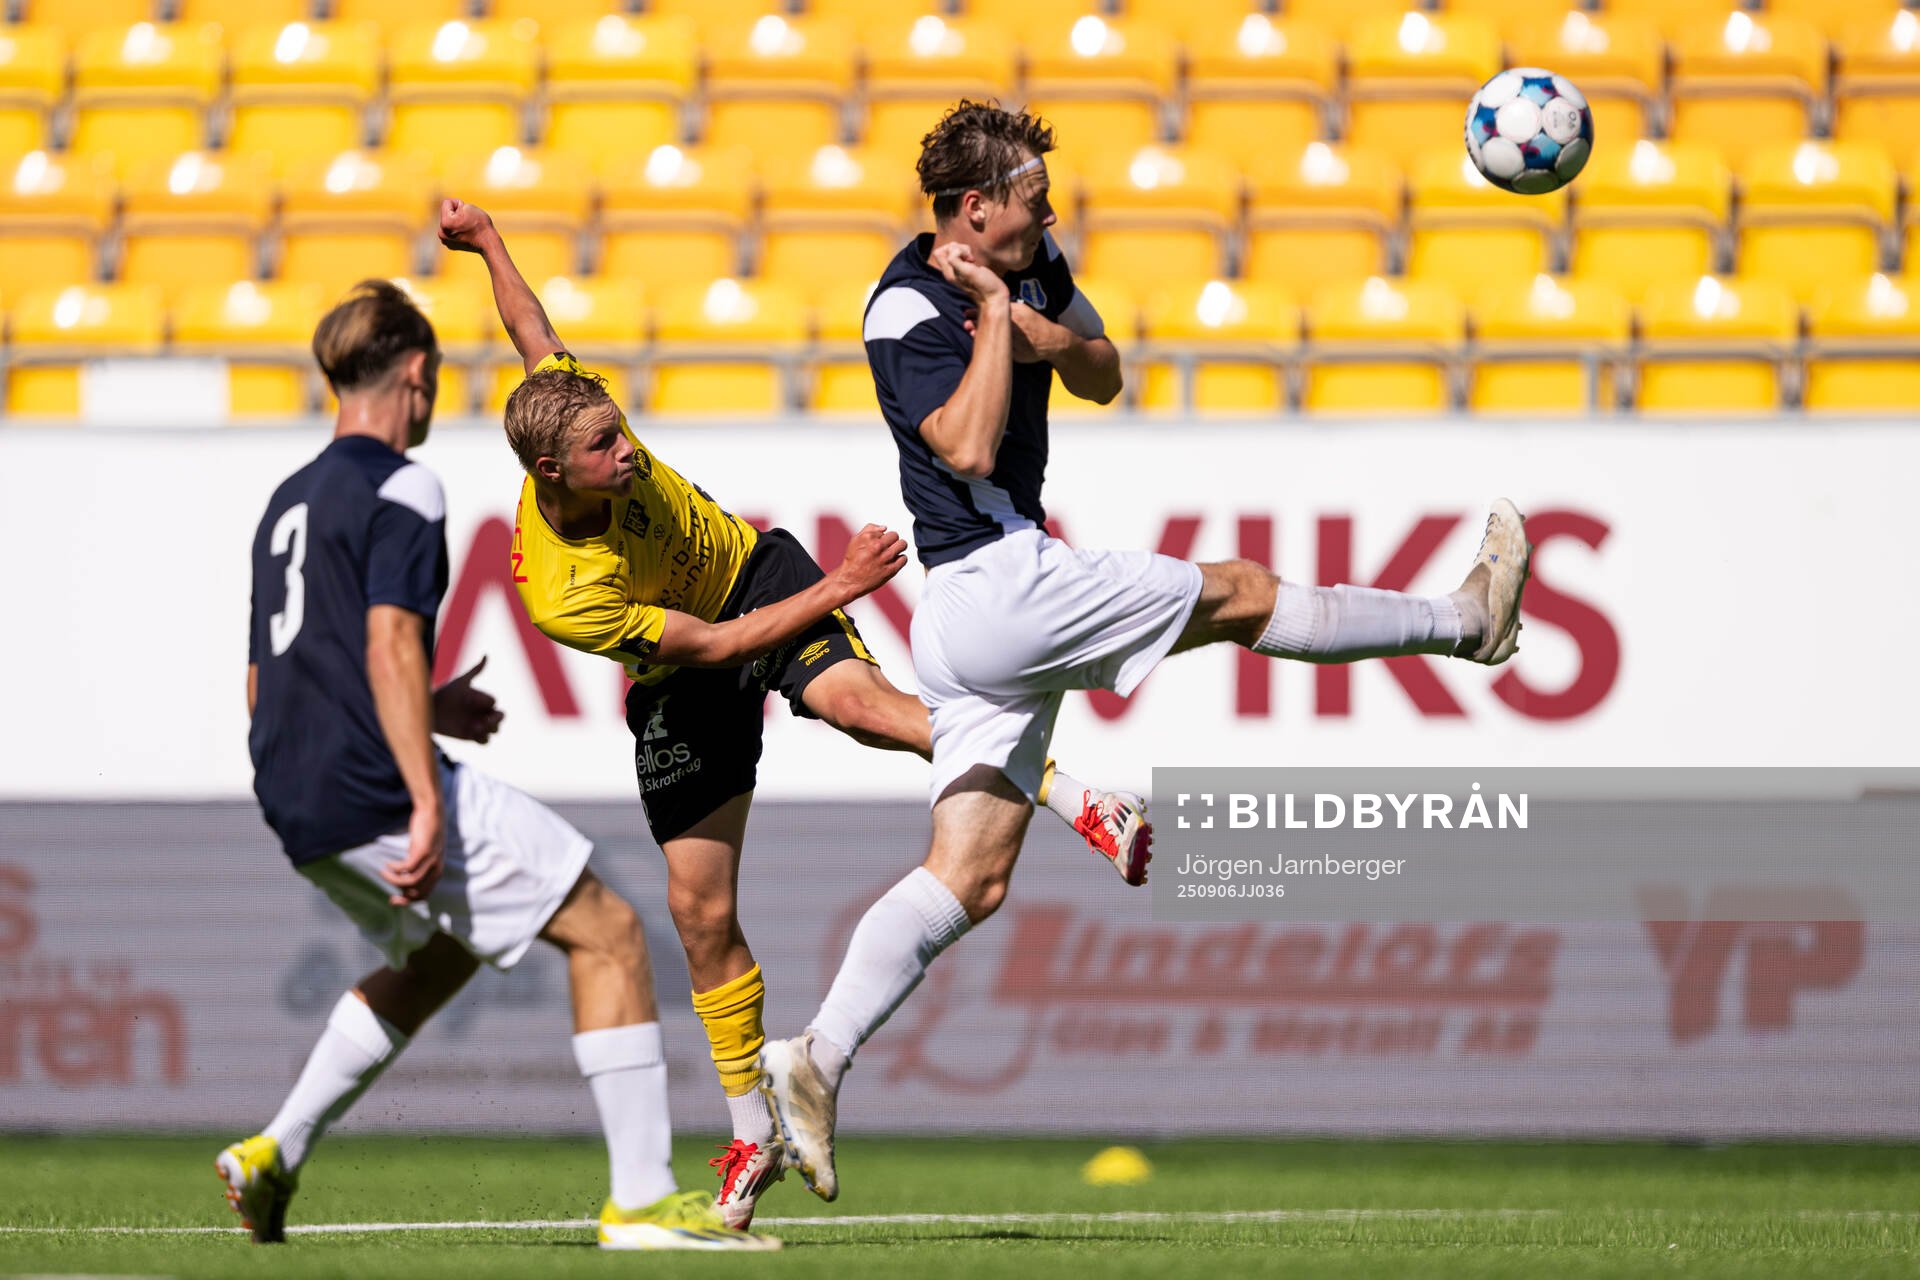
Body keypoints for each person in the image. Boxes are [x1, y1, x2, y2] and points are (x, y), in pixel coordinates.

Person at [757, 101, 1534, 1202]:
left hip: (983, 614)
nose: (1052, 211)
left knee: (969, 877)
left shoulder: (1031, 264)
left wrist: (1040, 331)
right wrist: (988, 316)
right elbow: (970, 444)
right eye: (1033, 199)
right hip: (995, 581)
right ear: (976, 210)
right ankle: (1467, 621)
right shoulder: (906, 307)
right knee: (1246, 594)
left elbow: (1102, 368)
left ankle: (815, 1057)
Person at [436, 198, 1151, 1227]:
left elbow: (530, 330)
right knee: (699, 910)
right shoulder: (566, 589)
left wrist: (491, 243)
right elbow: (719, 648)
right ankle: (749, 1129)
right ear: (553, 471)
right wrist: (850, 582)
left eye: (616, 427)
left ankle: (1080, 798)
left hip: (753, 570)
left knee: (865, 708)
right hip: (695, 655)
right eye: (604, 449)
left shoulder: (566, 402)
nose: (626, 450)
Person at [219, 279, 895, 1250]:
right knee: (612, 929)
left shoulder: (289, 500)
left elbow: (266, 677)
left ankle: (273, 1151)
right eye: (435, 378)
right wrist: (419, 794)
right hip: (377, 786)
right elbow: (388, 646)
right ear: (415, 373)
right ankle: (639, 1200)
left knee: (437, 955)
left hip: (290, 785)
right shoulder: (402, 485)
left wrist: (427, 707)